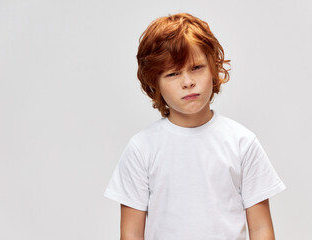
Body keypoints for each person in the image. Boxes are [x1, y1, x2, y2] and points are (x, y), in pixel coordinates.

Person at [103, 12, 286, 240]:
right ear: (154, 84)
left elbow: (260, 229)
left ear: (214, 68)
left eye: (196, 67)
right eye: (172, 73)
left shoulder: (242, 143)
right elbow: (131, 233)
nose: (188, 82)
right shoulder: (142, 149)